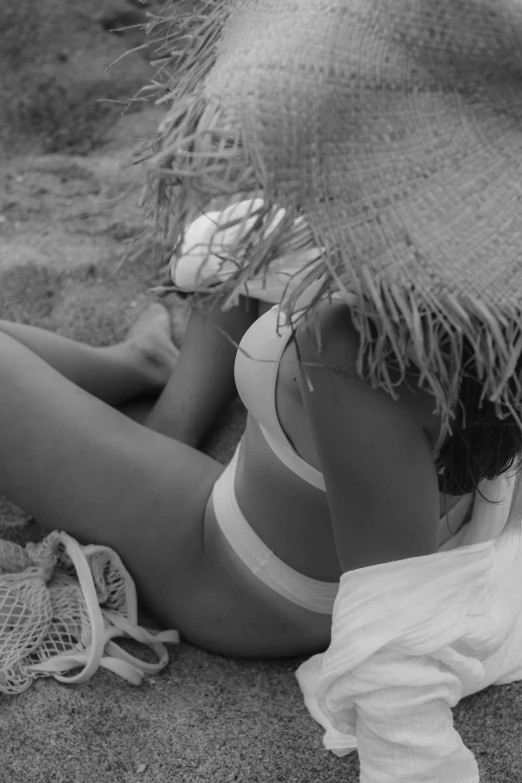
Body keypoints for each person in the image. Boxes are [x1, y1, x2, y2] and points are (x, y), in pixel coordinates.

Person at [3, 0, 522, 779]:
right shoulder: (487, 282)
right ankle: (148, 379)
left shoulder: (354, 346)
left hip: (245, 581)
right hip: (410, 519)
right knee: (253, 242)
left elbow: (395, 670)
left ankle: (149, 397)